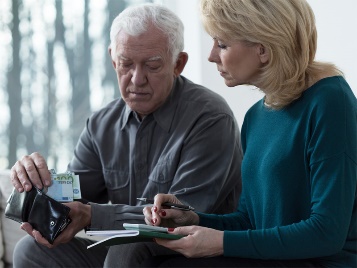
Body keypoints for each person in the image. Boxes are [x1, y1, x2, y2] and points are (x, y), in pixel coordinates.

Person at [10, 3, 243, 267]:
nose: (136, 79)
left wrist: (92, 216)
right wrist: (33, 181)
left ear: (178, 64)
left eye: (153, 66)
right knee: (30, 250)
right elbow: (71, 203)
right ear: (113, 60)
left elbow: (180, 217)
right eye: (125, 64)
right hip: (126, 255)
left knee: (127, 248)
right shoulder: (101, 125)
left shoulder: (210, 118)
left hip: (190, 254)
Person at [142, 0, 357, 267]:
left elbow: (327, 233)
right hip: (273, 260)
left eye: (222, 44)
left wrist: (219, 242)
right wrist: (194, 219)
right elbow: (249, 222)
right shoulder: (255, 117)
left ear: (263, 49)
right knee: (150, 256)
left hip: (318, 263)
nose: (211, 56)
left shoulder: (330, 101)